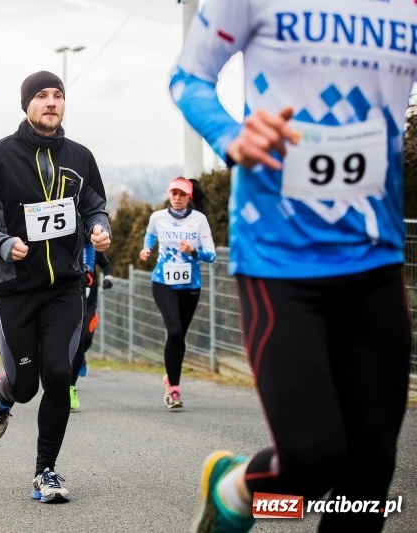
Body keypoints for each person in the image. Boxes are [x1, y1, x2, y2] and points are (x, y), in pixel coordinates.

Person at [170, 2, 415, 531]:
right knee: (312, 462)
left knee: (369, 477)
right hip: (280, 257)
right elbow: (188, 77)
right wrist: (232, 136)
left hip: (376, 253)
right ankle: (236, 489)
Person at [0, 71, 111, 503]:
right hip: (14, 288)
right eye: (41, 96)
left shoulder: (80, 157)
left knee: (60, 374)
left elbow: (95, 206)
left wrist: (99, 229)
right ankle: (4, 395)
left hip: (65, 286)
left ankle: (47, 472)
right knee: (26, 385)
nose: (50, 102)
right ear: (26, 105)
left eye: (57, 95)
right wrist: (2, 243)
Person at [138, 177, 215, 410]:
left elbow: (211, 255)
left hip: (191, 284)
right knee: (174, 330)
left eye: (182, 194)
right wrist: (147, 248)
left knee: (180, 336)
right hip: (163, 281)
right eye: (174, 194)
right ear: (169, 195)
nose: (178, 198)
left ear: (189, 196)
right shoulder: (157, 217)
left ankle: (171, 379)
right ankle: (174, 390)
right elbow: (150, 234)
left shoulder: (199, 220)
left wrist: (194, 251)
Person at [69, 243, 114, 411]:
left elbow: (106, 265)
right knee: (75, 343)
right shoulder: (68, 245)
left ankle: (79, 363)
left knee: (85, 339)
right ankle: (69, 387)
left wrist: (108, 277)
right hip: (70, 301)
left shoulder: (93, 248)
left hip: (89, 303)